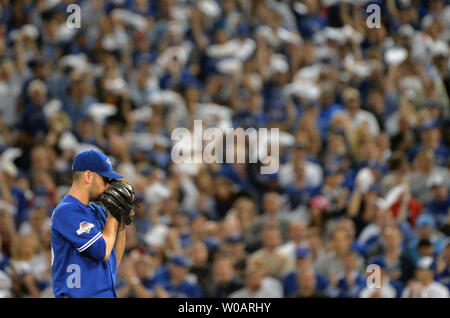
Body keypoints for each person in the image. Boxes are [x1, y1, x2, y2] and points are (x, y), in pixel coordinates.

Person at [51, 150, 127, 297]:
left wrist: (120, 220)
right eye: (105, 179)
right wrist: (113, 215)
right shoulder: (66, 211)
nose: (109, 186)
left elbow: (112, 262)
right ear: (88, 176)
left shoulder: (97, 211)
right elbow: (102, 251)